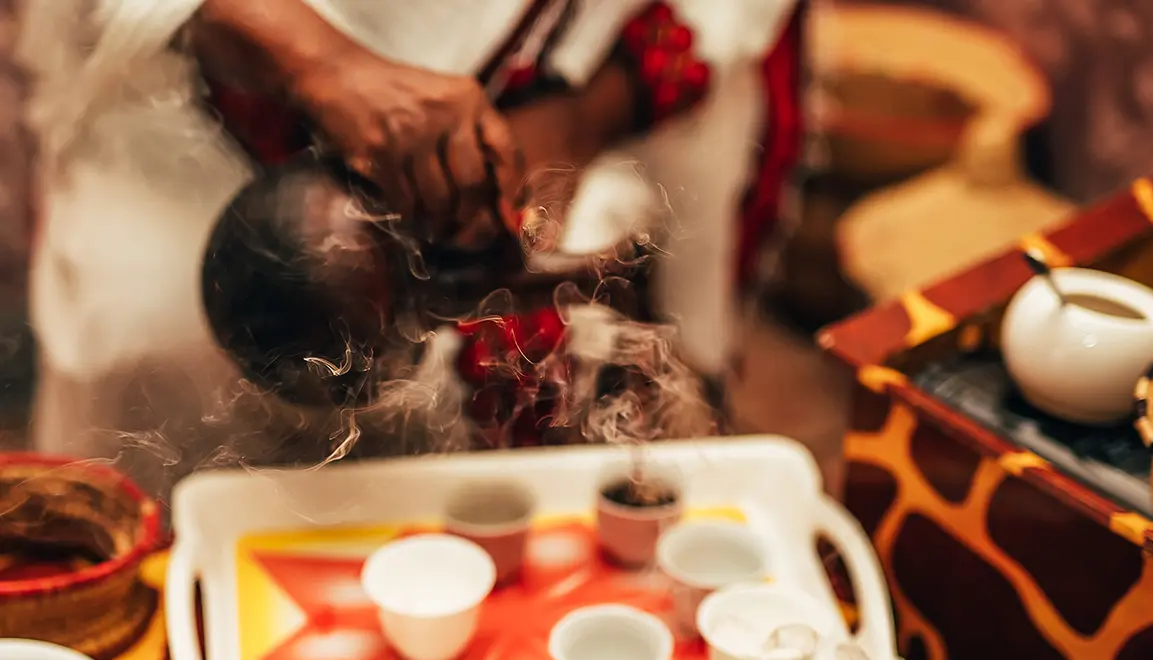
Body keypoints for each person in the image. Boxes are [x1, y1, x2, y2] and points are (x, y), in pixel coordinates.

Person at [17, 0, 806, 497]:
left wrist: (576, 122)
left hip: (572, 95)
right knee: (170, 514)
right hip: (192, 136)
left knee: (539, 540)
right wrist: (320, 63)